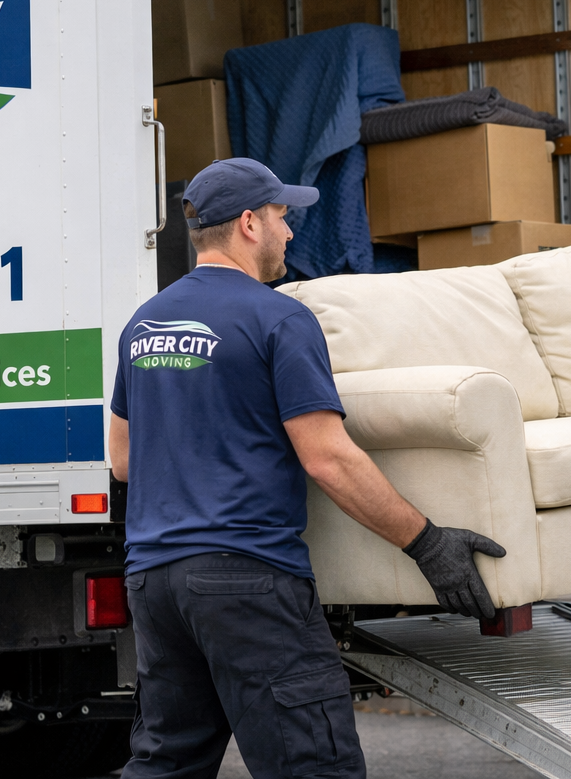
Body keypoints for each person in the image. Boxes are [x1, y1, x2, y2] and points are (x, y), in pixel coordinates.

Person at [109, 157, 505, 779]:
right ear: (247, 223)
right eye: (280, 217)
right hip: (247, 579)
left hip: (154, 584)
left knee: (167, 763)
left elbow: (123, 460)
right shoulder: (279, 317)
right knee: (313, 765)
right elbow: (327, 458)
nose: (289, 233)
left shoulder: (143, 324)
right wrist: (427, 544)